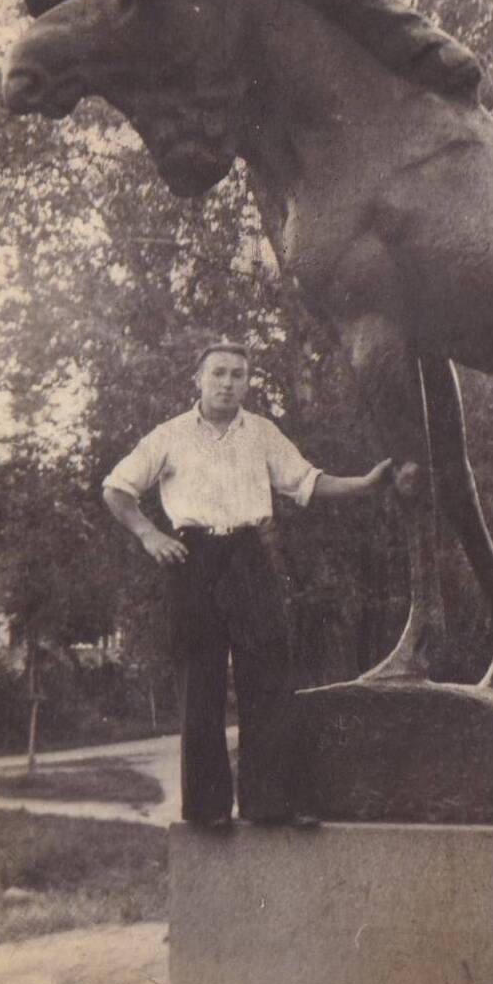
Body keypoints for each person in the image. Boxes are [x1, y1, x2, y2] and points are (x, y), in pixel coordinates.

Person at [102, 341, 393, 831]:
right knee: (201, 683)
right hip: (191, 558)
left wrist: (363, 484)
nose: (227, 383)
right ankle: (207, 810)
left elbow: (306, 481)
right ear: (198, 378)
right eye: (218, 373)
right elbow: (117, 488)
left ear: (248, 382)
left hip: (249, 557)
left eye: (238, 374)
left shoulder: (262, 433)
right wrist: (149, 535)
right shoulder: (169, 436)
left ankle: (271, 803)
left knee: (270, 678)